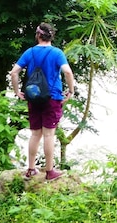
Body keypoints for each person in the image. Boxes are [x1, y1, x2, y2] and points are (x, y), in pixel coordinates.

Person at [10, 22, 75, 181]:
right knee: (48, 134)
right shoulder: (57, 53)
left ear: (38, 35)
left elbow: (14, 72)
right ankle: (50, 172)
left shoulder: (30, 52)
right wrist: (71, 90)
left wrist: (17, 91)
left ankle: (31, 169)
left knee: (35, 134)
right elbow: (67, 71)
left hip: (33, 97)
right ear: (51, 36)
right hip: (52, 97)